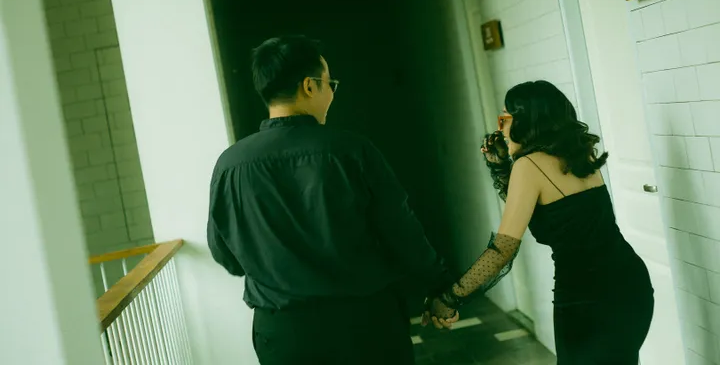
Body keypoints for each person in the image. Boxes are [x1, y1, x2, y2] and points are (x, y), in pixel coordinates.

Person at [207, 36, 456, 365]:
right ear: (309, 86)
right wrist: (440, 287)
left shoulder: (230, 165)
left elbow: (225, 255)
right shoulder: (351, 151)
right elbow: (402, 232)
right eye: (330, 84)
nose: (332, 94)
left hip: (284, 334)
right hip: (366, 326)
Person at [423, 80, 654, 365]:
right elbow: (543, 212)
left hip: (587, 300)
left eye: (504, 118)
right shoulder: (579, 152)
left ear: (526, 121)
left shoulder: (528, 165)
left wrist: (449, 298)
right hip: (631, 285)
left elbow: (502, 250)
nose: (500, 128)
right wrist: (502, 166)